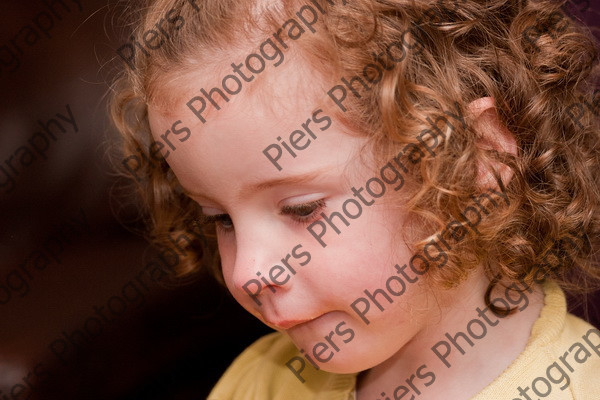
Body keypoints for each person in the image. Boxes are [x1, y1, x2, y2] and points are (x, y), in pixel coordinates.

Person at [110, 0, 600, 398]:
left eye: (302, 208)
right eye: (221, 219)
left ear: (475, 160)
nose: (249, 273)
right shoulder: (260, 383)